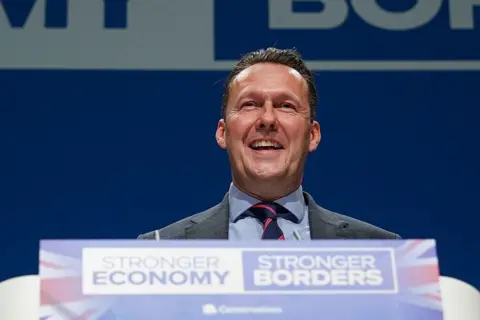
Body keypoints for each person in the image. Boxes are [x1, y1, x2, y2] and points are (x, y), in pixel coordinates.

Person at [138, 47, 400, 241]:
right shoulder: (159, 249)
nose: (267, 119)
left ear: (312, 135)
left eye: (286, 106)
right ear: (223, 132)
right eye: (249, 104)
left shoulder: (383, 251)